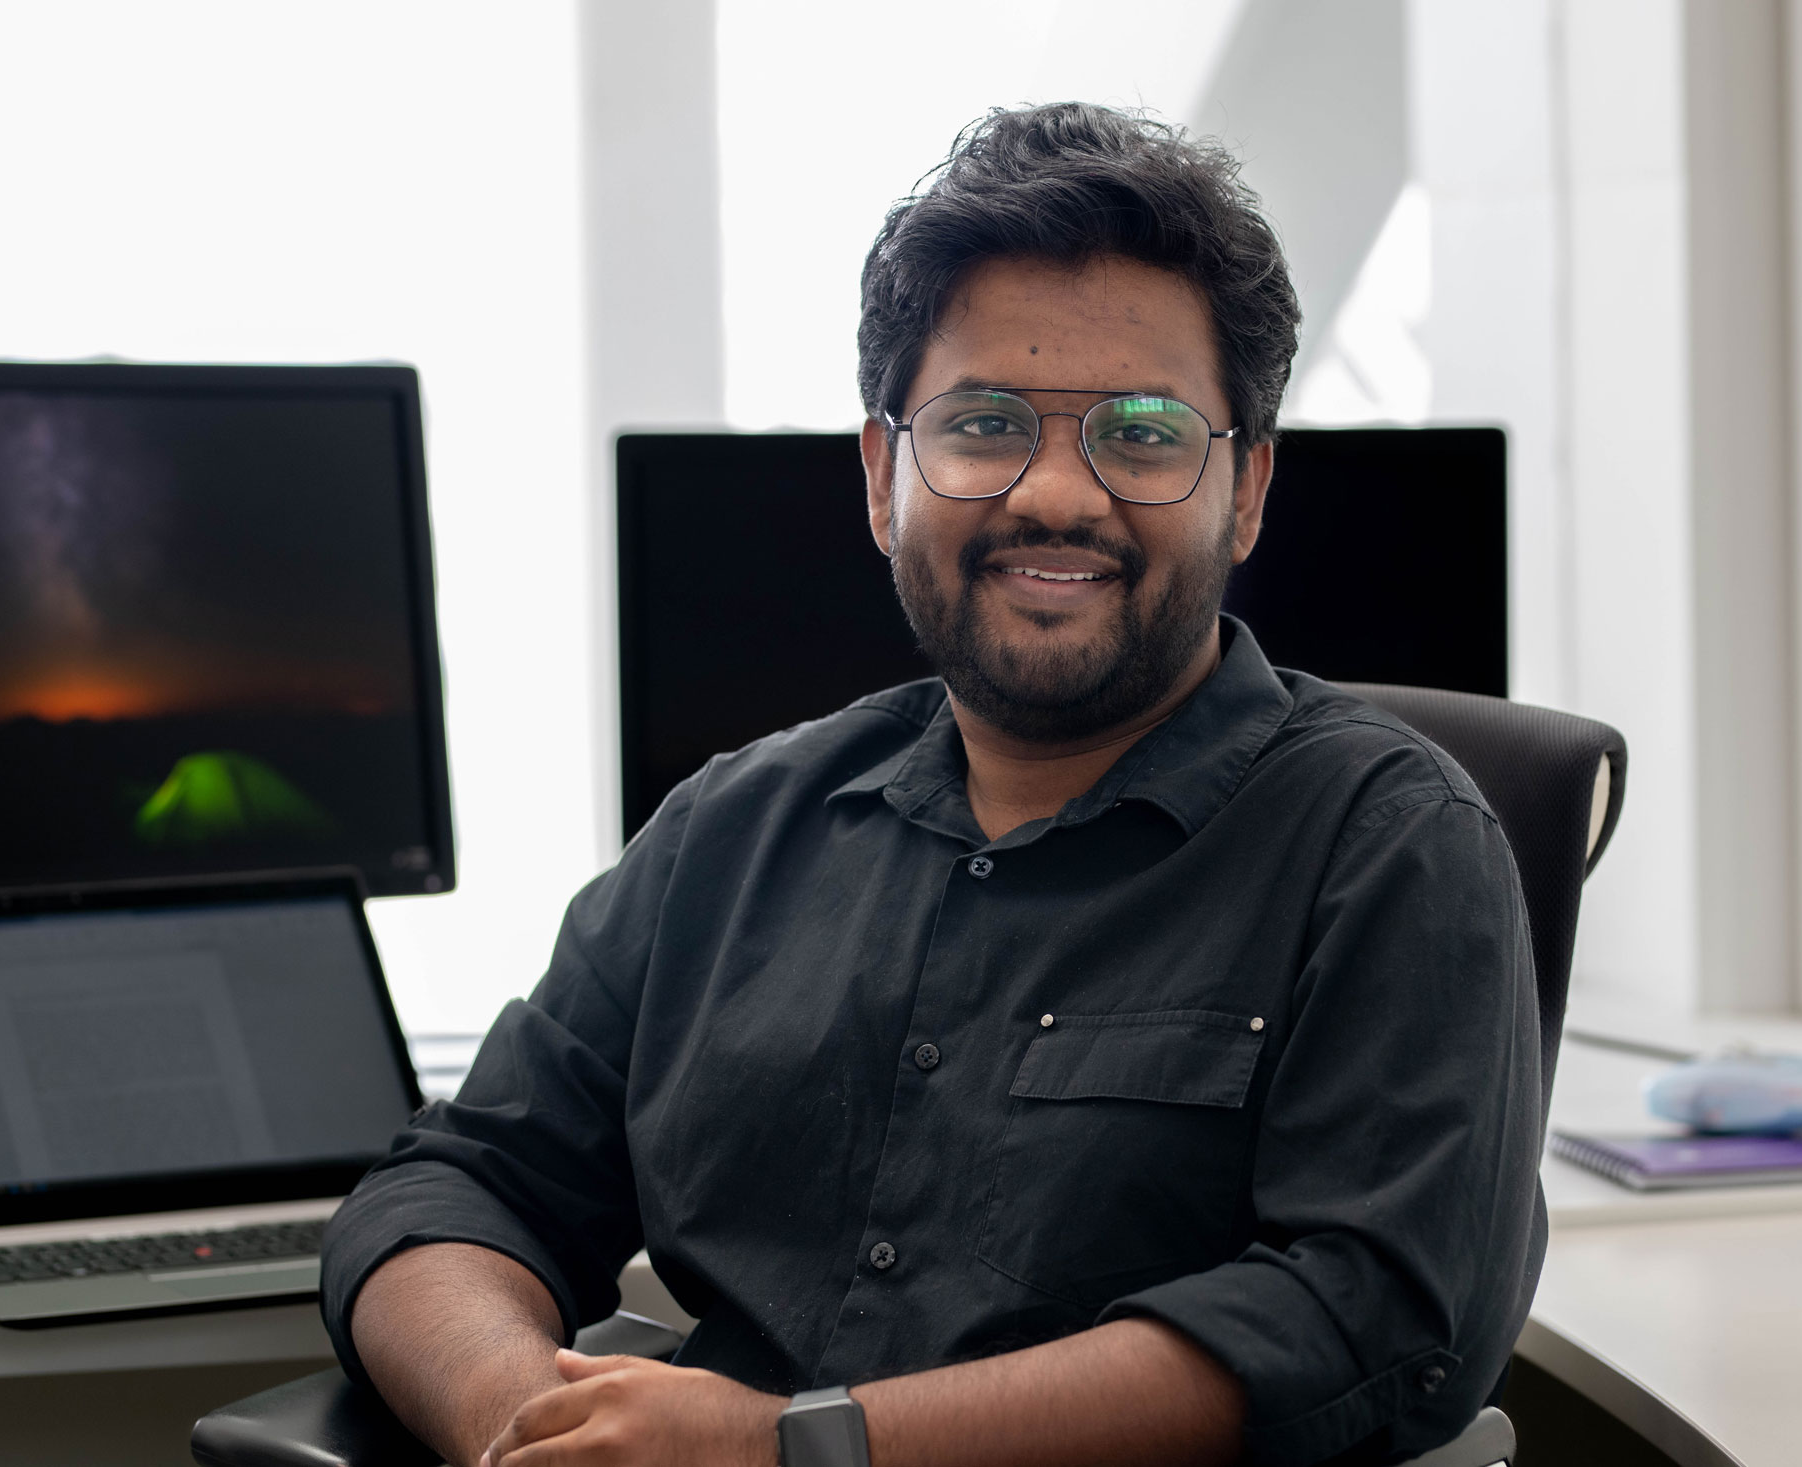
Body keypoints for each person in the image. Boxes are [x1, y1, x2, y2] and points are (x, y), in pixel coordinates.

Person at [323, 102, 1543, 1467]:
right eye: (983, 424)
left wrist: (798, 1452)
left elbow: (1365, 1314)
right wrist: (521, 1427)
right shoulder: (732, 832)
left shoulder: (1391, 847)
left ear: (1246, 489)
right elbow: (463, 1186)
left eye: (1142, 434)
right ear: (882, 477)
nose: (1055, 497)